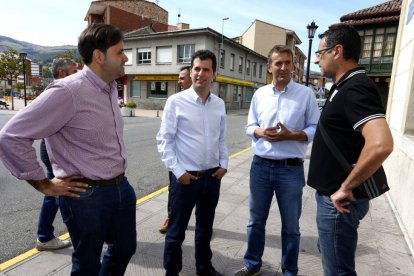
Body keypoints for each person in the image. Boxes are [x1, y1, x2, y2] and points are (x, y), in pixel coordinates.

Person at [0, 23, 137, 275]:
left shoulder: (108, 89)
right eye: (120, 52)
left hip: (120, 188)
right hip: (86, 197)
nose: (125, 57)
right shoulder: (68, 91)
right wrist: (44, 185)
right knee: (86, 263)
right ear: (98, 56)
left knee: (125, 248)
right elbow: (11, 136)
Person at [307, 24, 393, 276]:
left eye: (320, 52)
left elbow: (381, 144)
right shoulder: (343, 86)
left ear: (337, 51)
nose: (316, 59)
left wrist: (346, 187)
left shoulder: (356, 87)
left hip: (338, 204)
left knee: (337, 271)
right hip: (333, 200)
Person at [235, 45, 320, 276]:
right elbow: (249, 126)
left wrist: (291, 135)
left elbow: (315, 127)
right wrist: (261, 132)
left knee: (291, 226)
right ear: (269, 66)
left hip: (290, 170)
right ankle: (252, 265)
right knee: (255, 221)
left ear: (293, 66)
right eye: (278, 63)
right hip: (260, 166)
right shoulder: (259, 94)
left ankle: (289, 271)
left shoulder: (306, 94)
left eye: (287, 62)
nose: (283, 67)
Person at [156, 49, 228, 276]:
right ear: (191, 71)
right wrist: (178, 172)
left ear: (214, 74)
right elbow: (164, 141)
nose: (200, 74)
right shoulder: (176, 102)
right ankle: (172, 272)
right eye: (197, 68)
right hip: (186, 179)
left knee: (205, 229)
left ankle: (204, 268)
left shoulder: (219, 104)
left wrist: (224, 163)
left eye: (206, 69)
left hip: (212, 178)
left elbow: (222, 138)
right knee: (176, 231)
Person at [36, 58, 77, 251]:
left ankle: (46, 236)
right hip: (53, 150)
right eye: (74, 71)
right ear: (63, 73)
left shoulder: (60, 90)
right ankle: (44, 237)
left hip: (55, 148)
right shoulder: (58, 92)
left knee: (60, 191)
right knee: (55, 192)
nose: (77, 75)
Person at [159, 65, 192, 234]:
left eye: (182, 78)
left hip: (201, 162)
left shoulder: (212, 102)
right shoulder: (174, 100)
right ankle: (171, 217)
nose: (179, 81)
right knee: (174, 191)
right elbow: (165, 135)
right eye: (179, 78)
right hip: (178, 160)